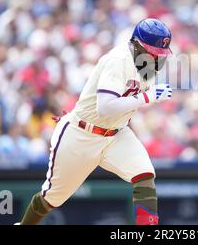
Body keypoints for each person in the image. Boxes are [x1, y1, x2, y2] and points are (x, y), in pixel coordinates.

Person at [18, 18, 173, 225]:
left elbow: (124, 107)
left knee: (144, 175)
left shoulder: (147, 68)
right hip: (82, 133)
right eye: (153, 53)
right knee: (53, 197)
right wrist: (147, 97)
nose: (156, 59)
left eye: (160, 55)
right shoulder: (118, 60)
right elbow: (105, 107)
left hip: (116, 134)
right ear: (136, 45)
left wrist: (146, 99)